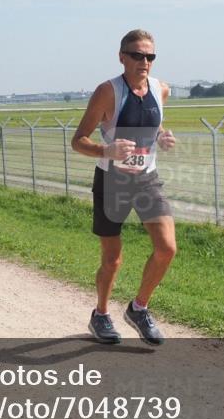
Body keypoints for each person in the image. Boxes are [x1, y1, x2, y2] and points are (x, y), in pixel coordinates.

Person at [71, 29, 177, 345]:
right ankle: (101, 314)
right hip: (112, 181)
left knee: (167, 248)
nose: (144, 61)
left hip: (146, 179)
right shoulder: (108, 91)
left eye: (150, 56)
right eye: (137, 55)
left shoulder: (162, 90)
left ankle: (138, 308)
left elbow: (152, 127)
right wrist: (107, 150)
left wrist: (161, 138)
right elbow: (78, 141)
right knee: (112, 259)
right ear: (122, 57)